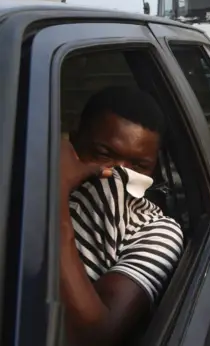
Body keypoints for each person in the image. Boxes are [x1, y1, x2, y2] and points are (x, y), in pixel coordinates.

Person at [59, 86, 184, 346]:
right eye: (104, 155)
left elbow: (94, 336)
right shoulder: (22, 186)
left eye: (138, 166)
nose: (118, 176)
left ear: (153, 171)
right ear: (73, 145)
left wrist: (54, 202)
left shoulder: (155, 230)